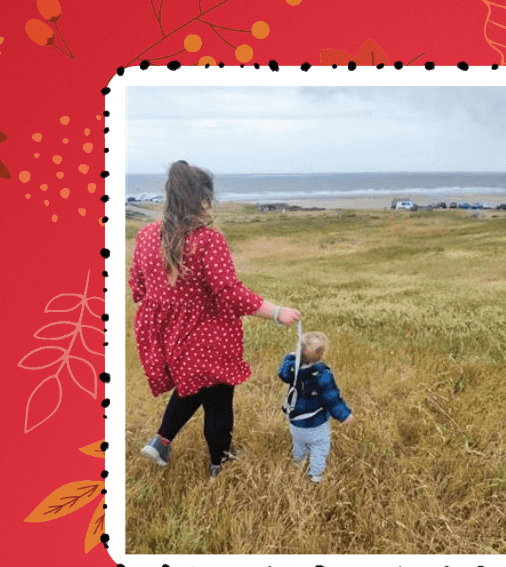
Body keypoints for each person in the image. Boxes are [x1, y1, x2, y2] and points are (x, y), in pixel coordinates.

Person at [131, 160, 301, 478]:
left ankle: (161, 442)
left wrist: (171, 305)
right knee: (218, 401)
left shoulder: (146, 236)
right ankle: (219, 465)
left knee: (193, 388)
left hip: (168, 335)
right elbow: (230, 294)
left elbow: (138, 287)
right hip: (208, 336)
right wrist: (277, 312)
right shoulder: (207, 240)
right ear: (203, 200)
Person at [278, 332, 354, 483]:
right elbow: (331, 398)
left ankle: (298, 463)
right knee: (320, 447)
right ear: (322, 354)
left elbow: (282, 372)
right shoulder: (322, 373)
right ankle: (315, 475)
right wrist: (344, 414)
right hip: (316, 423)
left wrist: (290, 357)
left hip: (295, 422)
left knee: (299, 444)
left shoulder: (293, 368)